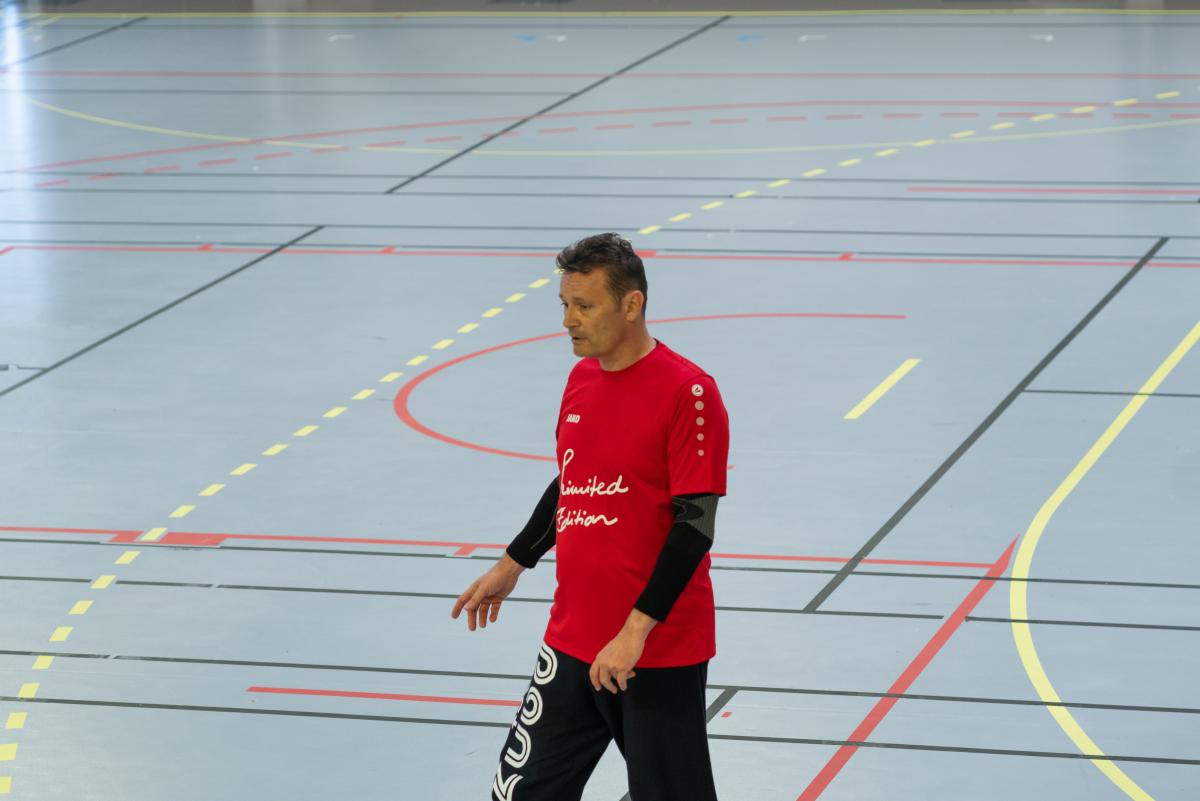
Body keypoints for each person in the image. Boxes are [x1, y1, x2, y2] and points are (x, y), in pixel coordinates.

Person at [451, 232, 729, 801]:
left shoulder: (689, 392)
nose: (568, 321)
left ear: (632, 304)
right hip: (572, 638)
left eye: (584, 305)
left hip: (654, 651)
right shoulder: (580, 380)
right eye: (564, 304)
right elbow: (573, 482)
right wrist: (513, 562)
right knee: (519, 793)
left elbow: (695, 527)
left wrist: (634, 632)